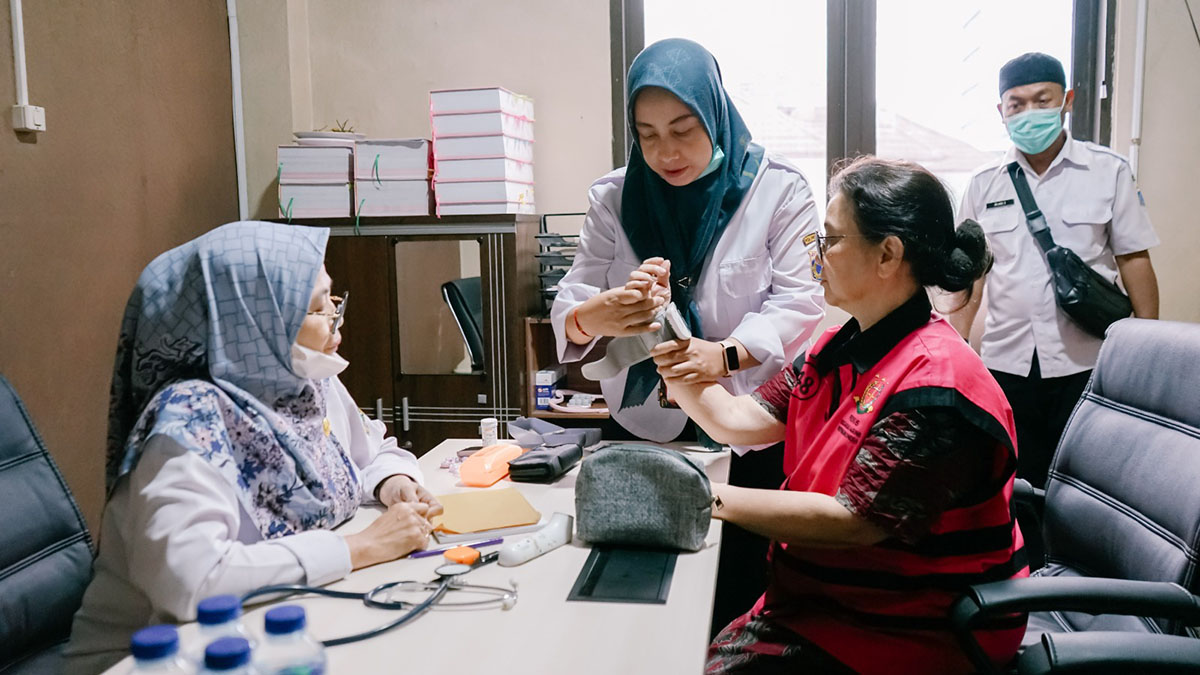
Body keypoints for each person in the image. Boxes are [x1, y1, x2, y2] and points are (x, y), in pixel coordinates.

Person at [656, 157, 1028, 674]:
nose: (817, 254)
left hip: (914, 627)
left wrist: (704, 498)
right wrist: (664, 341)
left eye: (829, 240)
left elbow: (854, 521)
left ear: (887, 255)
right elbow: (738, 418)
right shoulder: (835, 349)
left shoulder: (937, 386)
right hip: (830, 604)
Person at [65, 222, 441, 673]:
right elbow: (192, 582)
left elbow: (370, 451)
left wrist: (393, 481)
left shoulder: (301, 382)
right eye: (318, 310)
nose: (336, 325)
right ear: (254, 320)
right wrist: (360, 547)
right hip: (151, 659)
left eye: (333, 303)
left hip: (268, 627)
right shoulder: (187, 425)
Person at [551, 37, 825, 633]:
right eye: (647, 134)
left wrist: (723, 355)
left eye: (682, 128)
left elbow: (802, 300)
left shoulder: (776, 189)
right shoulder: (614, 197)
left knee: (743, 587)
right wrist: (597, 316)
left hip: (752, 424)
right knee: (644, 585)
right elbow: (572, 301)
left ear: (716, 114)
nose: (665, 152)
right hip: (647, 421)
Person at [951, 52, 1160, 492]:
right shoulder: (985, 182)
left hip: (1087, 361)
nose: (1029, 113)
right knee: (1011, 483)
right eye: (1016, 104)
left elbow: (1134, 260)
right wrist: (956, 348)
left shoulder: (1108, 171)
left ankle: (1075, 561)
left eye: (1041, 100)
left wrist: (1143, 350)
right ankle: (1027, 561)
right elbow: (973, 276)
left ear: (1067, 100)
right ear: (1001, 111)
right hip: (1005, 362)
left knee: (1088, 482)